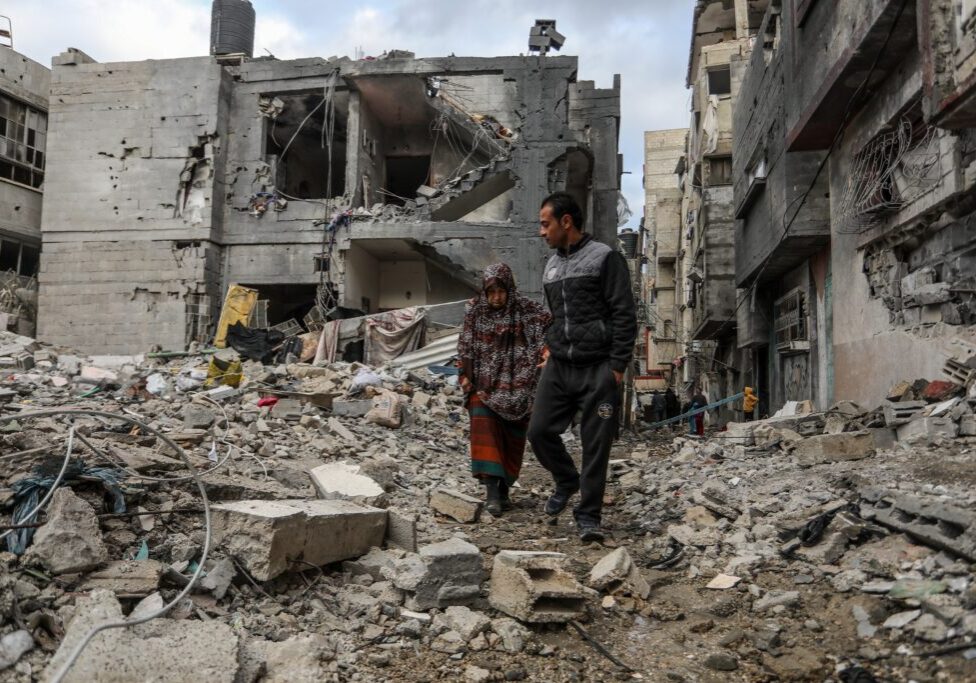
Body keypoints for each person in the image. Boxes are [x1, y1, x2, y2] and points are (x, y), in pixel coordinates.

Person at [527, 192, 637, 543]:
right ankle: (565, 480)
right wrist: (549, 345)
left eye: (545, 224)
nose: (541, 232)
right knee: (539, 430)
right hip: (560, 366)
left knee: (595, 445)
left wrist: (617, 366)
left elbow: (624, 313)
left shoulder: (605, 258)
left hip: (598, 368)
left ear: (566, 222)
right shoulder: (551, 266)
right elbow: (555, 316)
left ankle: (588, 516)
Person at [458, 263, 551, 516]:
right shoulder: (475, 312)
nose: (496, 298)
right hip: (483, 386)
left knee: (511, 440)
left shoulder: (526, 310)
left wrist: (547, 352)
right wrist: (465, 374)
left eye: (501, 291)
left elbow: (548, 329)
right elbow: (465, 345)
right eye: (491, 292)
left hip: (518, 388)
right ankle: (492, 495)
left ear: (510, 289)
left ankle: (503, 492)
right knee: (485, 436)